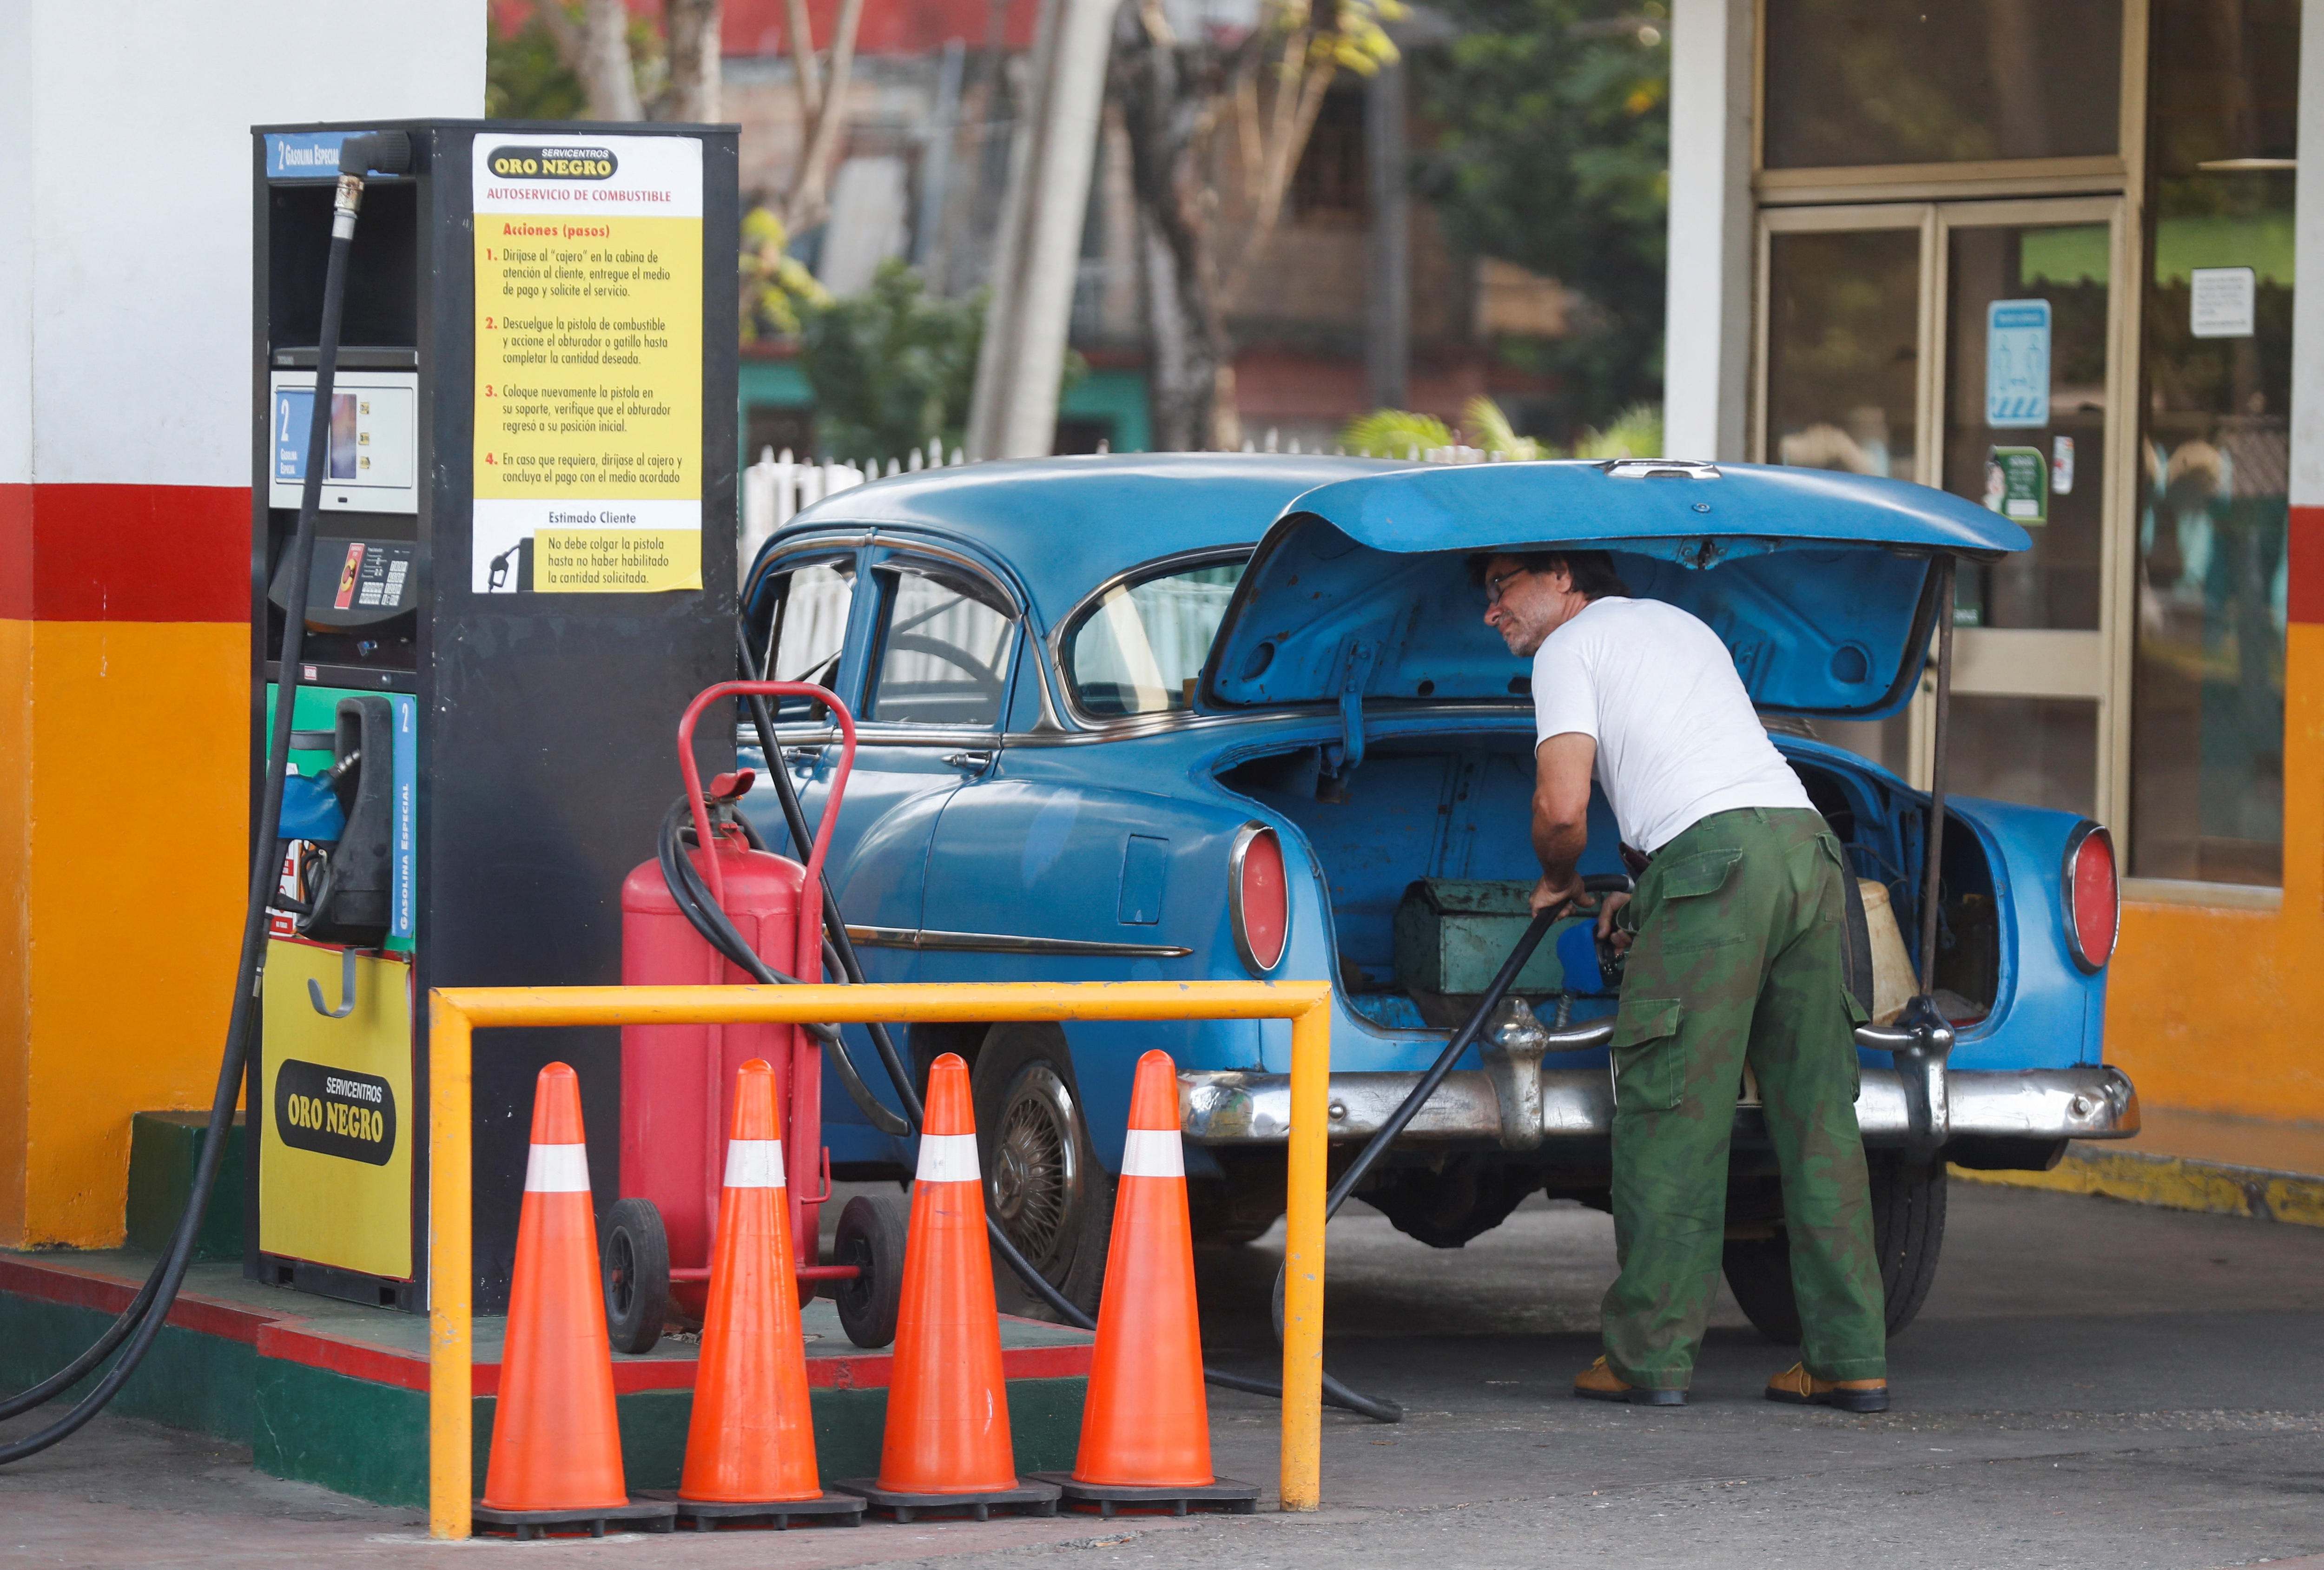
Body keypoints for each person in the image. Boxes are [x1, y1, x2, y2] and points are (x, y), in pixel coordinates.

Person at [1476, 547, 1889, 1413]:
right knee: (1818, 1114)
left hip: (1717, 864)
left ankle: (1648, 1356)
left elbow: (1562, 808)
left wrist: (1559, 878)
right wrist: (1641, 889)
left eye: (1500, 588)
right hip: (1809, 853)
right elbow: (1702, 777)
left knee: (1672, 1113)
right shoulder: (1681, 624)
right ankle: (1848, 1356)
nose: (1491, 613)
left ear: (1562, 578)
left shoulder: (1567, 649)